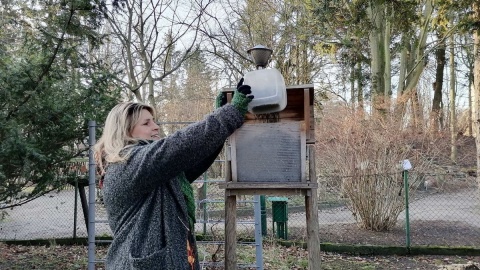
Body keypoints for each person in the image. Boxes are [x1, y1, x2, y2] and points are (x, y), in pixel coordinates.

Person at [94, 79, 253, 270]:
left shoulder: (150, 168)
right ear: (125, 131)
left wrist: (220, 123)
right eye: (146, 123)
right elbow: (178, 147)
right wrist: (227, 115)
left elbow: (191, 161)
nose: (156, 127)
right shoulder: (126, 164)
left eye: (154, 121)